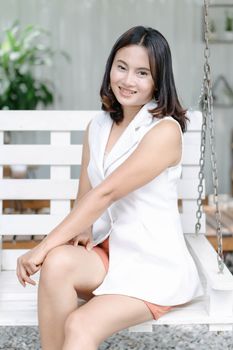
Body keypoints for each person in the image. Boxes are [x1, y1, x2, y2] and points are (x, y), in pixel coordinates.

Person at [16, 25, 204, 350]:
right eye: (122, 67)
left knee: (80, 323)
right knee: (59, 263)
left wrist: (41, 248)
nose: (128, 81)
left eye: (142, 72)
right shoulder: (98, 126)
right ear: (110, 68)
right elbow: (87, 198)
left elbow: (106, 193)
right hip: (106, 257)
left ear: (158, 81)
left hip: (151, 266)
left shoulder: (164, 131)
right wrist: (80, 230)